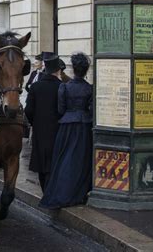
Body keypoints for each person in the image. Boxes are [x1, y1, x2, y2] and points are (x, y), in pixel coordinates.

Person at [40, 52, 93, 209]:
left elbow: (61, 109)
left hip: (66, 126)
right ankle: (78, 192)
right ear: (86, 70)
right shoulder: (89, 89)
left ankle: (62, 192)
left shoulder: (64, 87)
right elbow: (91, 110)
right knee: (81, 161)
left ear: (72, 69)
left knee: (64, 160)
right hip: (84, 127)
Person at [25, 55, 63, 192]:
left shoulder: (35, 87)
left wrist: (34, 122)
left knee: (41, 162)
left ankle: (45, 190)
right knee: (54, 161)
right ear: (58, 71)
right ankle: (52, 190)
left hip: (39, 130)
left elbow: (28, 110)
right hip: (57, 129)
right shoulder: (61, 86)